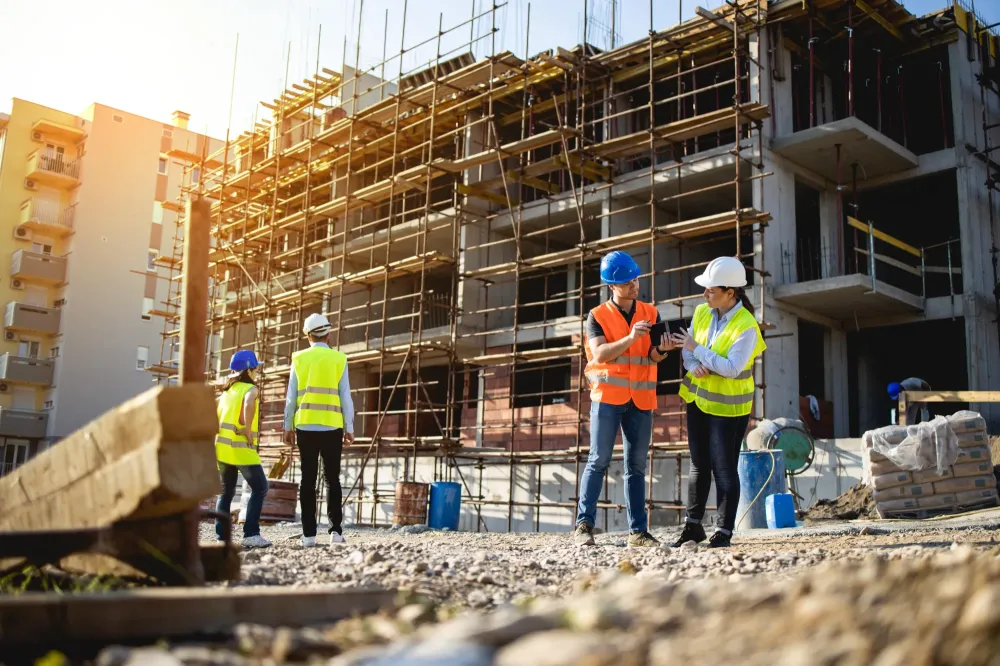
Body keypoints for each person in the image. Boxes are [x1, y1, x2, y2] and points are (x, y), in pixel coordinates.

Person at [573, 250, 679, 548]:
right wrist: (631, 337)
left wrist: (664, 350)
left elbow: (652, 355)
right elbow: (600, 353)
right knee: (598, 460)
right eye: (627, 281)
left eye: (635, 278)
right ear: (613, 286)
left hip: (641, 400)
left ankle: (638, 532)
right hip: (608, 398)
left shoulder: (651, 312)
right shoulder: (597, 315)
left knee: (636, 466)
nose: (634, 284)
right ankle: (584, 525)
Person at [672, 256, 766, 549]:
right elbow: (687, 349)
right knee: (698, 466)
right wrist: (691, 363)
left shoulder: (746, 325)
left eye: (711, 289)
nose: (705, 294)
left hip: (729, 408)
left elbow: (732, 367)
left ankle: (724, 532)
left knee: (724, 468)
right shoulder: (702, 312)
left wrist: (696, 350)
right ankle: (693, 526)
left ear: (730, 292)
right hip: (698, 400)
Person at [283, 312, 355, 548]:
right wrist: (349, 426)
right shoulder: (339, 359)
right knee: (332, 479)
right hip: (333, 426)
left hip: (305, 426)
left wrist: (287, 425)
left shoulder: (299, 359)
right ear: (329, 333)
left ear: (308, 335)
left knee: (308, 480)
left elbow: (291, 396)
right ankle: (335, 532)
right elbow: (346, 396)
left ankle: (308, 536)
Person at [215, 349, 271, 549]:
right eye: (255, 368)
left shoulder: (227, 391)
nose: (257, 371)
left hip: (222, 450)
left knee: (226, 492)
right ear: (249, 369)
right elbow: (248, 404)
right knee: (260, 488)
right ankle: (251, 534)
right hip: (241, 449)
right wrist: (247, 429)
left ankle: (221, 538)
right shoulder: (251, 389)